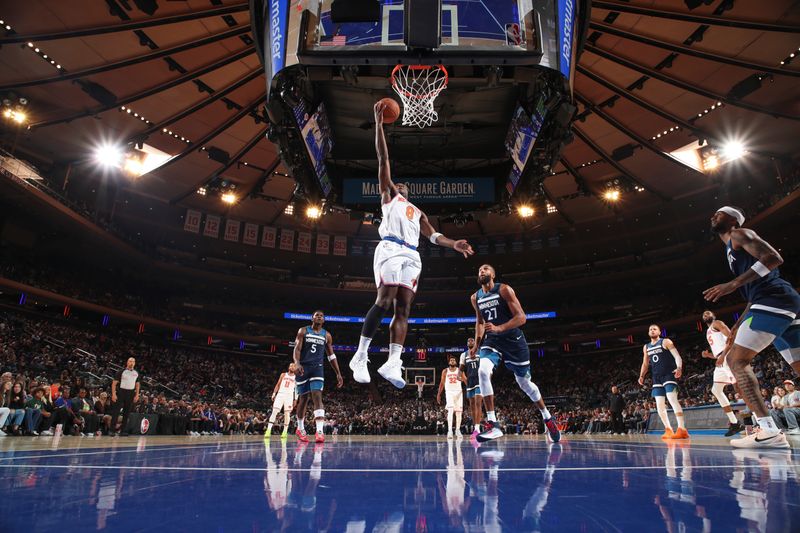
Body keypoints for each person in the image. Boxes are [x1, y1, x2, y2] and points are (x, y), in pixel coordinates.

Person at [349, 100, 474, 389]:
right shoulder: (388, 198)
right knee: (385, 298)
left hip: (412, 255)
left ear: (410, 191)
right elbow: (383, 161)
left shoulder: (418, 213)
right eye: (397, 184)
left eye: (404, 186)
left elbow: (433, 236)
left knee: (404, 308)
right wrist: (379, 126)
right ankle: (360, 354)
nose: (400, 186)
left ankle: (393, 361)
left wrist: (454, 243)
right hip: (391, 248)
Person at [703, 206, 800, 448]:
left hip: (773, 299)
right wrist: (736, 325)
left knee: (737, 361)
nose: (714, 215)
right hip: (778, 302)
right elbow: (752, 296)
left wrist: (733, 284)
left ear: (734, 220)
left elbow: (774, 259)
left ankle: (768, 431)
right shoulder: (730, 248)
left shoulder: (739, 234)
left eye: (720, 212)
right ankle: (767, 430)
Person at [469, 264, 560, 443]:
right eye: (479, 269)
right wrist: (477, 344)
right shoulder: (475, 297)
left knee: (524, 383)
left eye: (486, 269)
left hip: (513, 341)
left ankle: (547, 417)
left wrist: (499, 327)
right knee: (482, 371)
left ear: (493, 274)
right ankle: (493, 424)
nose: (482, 271)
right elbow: (480, 322)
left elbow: (521, 317)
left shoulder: (503, 290)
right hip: (492, 341)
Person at [293, 310, 343, 443]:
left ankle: (319, 431)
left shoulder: (327, 335)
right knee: (303, 399)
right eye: (317, 315)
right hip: (303, 367)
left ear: (324, 320)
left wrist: (338, 373)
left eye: (322, 316)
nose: (319, 317)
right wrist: (297, 363)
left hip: (317, 368)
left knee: (317, 395)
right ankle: (300, 428)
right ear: (312, 318)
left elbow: (331, 356)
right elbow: (297, 349)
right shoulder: (303, 331)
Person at [638, 324, 689, 440]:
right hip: (656, 377)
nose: (652, 330)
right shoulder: (646, 347)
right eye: (650, 329)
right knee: (659, 405)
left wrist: (679, 367)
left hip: (669, 374)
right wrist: (641, 376)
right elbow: (645, 364)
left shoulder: (666, 341)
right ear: (648, 333)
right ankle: (668, 429)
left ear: (660, 332)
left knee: (672, 399)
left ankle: (682, 429)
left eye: (654, 329)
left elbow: (677, 356)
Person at [700, 310, 744, 436]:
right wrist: (709, 355)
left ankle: (759, 419)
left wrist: (723, 355)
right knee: (716, 390)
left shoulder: (717, 323)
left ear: (713, 316)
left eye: (708, 313)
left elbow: (731, 337)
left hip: (727, 357)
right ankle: (735, 423)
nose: (706, 314)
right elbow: (719, 351)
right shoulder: (708, 331)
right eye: (704, 314)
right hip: (721, 359)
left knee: (739, 387)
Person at [109, 357, 141, 437]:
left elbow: (137, 385)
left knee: (126, 413)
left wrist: (137, 395)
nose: (131, 363)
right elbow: (114, 383)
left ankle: (123, 431)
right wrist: (113, 394)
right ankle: (112, 430)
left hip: (130, 393)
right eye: (130, 361)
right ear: (127, 362)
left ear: (135, 363)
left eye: (133, 361)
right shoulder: (121, 372)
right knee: (116, 412)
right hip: (121, 392)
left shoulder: (136, 373)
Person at [458, 338, 482, 438]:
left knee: (478, 403)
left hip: (480, 380)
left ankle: (478, 427)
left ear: (475, 343)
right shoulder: (464, 355)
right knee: (472, 406)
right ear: (467, 344)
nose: (470, 341)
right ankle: (475, 426)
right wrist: (464, 379)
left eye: (472, 340)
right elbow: (459, 373)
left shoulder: (480, 352)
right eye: (468, 341)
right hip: (470, 382)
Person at [266, 363, 297, 438]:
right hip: (280, 394)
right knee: (274, 411)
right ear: (289, 367)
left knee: (287, 414)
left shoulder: (296, 378)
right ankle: (268, 430)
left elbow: (297, 389)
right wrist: (274, 393)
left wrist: (295, 399)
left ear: (295, 369)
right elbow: (278, 384)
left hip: (289, 396)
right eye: (291, 366)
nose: (292, 367)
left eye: (293, 366)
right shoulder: (283, 375)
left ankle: (285, 431)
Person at [437, 355, 464, 439]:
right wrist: (438, 394)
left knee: (459, 413)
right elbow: (442, 383)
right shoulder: (445, 371)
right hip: (449, 392)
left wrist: (471, 388)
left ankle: (457, 430)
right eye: (451, 360)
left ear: (456, 362)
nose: (452, 361)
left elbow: (465, 379)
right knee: (450, 411)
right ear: (449, 362)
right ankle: (450, 431)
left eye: (454, 360)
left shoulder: (460, 371)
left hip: (459, 392)